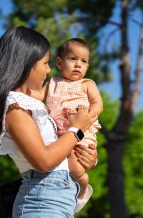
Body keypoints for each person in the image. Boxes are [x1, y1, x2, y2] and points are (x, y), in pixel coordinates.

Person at [0, 26, 98, 218]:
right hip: (42, 201)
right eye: (46, 63)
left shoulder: (30, 103)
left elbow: (56, 149)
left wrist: (86, 154)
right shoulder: (15, 107)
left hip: (55, 200)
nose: (49, 70)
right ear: (26, 63)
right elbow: (43, 161)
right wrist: (77, 129)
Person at [42, 38, 103, 212]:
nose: (78, 65)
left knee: (74, 165)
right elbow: (37, 96)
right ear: (60, 63)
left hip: (82, 131)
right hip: (59, 133)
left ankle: (82, 182)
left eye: (83, 61)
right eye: (73, 59)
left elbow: (98, 103)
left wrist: (89, 115)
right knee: (61, 159)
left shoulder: (86, 84)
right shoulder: (52, 83)